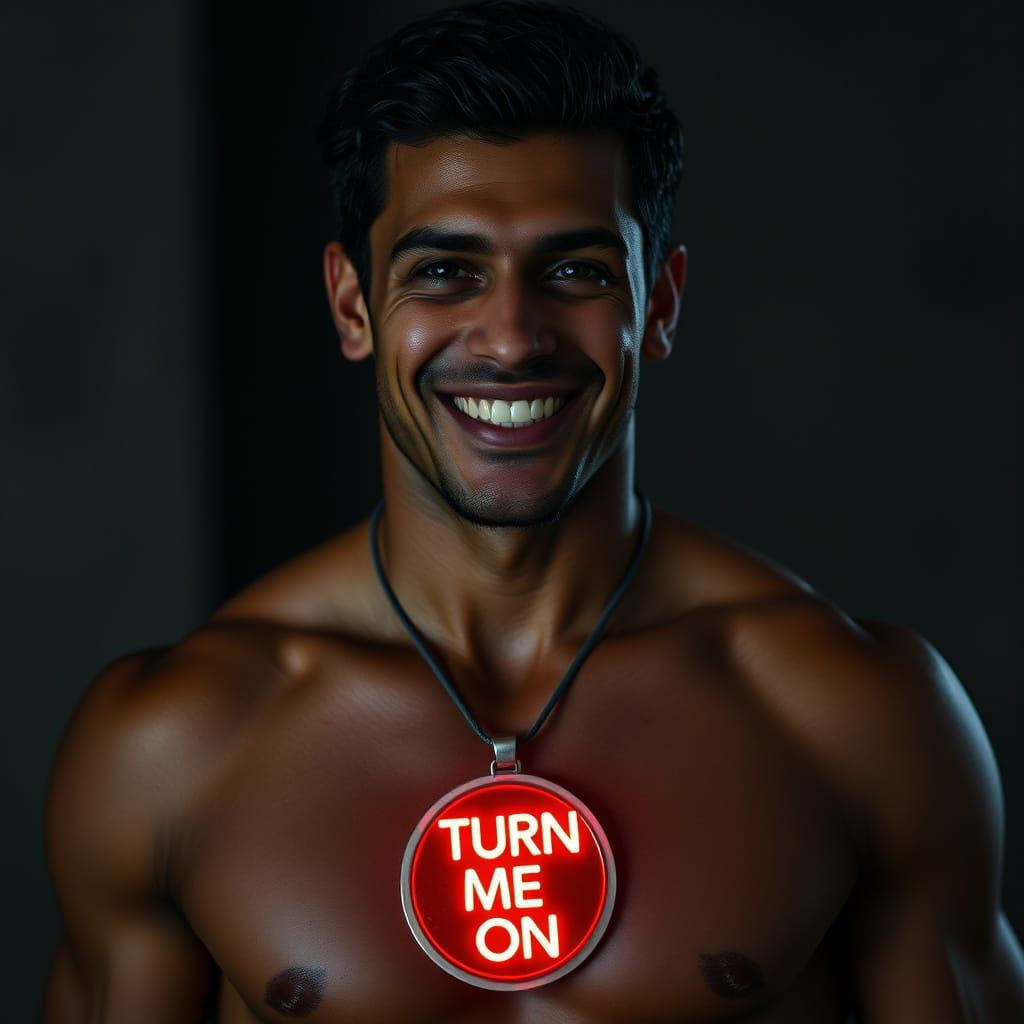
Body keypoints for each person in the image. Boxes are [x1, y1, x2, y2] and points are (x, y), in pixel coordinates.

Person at [43, 1, 1024, 1020]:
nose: (512, 338)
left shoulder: (853, 715)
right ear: (352, 304)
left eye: (575, 271)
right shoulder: (174, 742)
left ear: (658, 305)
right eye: (444, 272)